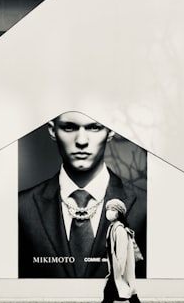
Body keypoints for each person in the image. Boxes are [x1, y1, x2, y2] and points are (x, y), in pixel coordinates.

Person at [18, 111, 147, 278]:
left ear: (111, 130)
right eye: (69, 127)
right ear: (52, 130)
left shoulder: (146, 207)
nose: (81, 141)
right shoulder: (21, 208)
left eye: (94, 127)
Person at [82, 199, 150, 303]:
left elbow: (121, 254)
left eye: (113, 209)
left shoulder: (119, 229)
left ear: (119, 213)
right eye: (108, 209)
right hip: (116, 270)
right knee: (131, 294)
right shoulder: (112, 227)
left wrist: (118, 271)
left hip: (119, 270)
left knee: (109, 295)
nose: (109, 212)